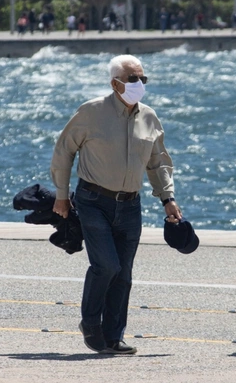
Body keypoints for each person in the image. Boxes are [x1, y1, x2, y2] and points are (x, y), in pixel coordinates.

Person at [51, 55, 183, 355]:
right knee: (106, 265)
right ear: (115, 83)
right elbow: (63, 150)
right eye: (134, 79)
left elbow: (158, 162)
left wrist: (168, 198)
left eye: (143, 79)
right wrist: (61, 193)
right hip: (93, 201)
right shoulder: (91, 112)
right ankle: (90, 323)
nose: (140, 84)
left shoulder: (149, 117)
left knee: (123, 273)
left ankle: (113, 336)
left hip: (130, 205)